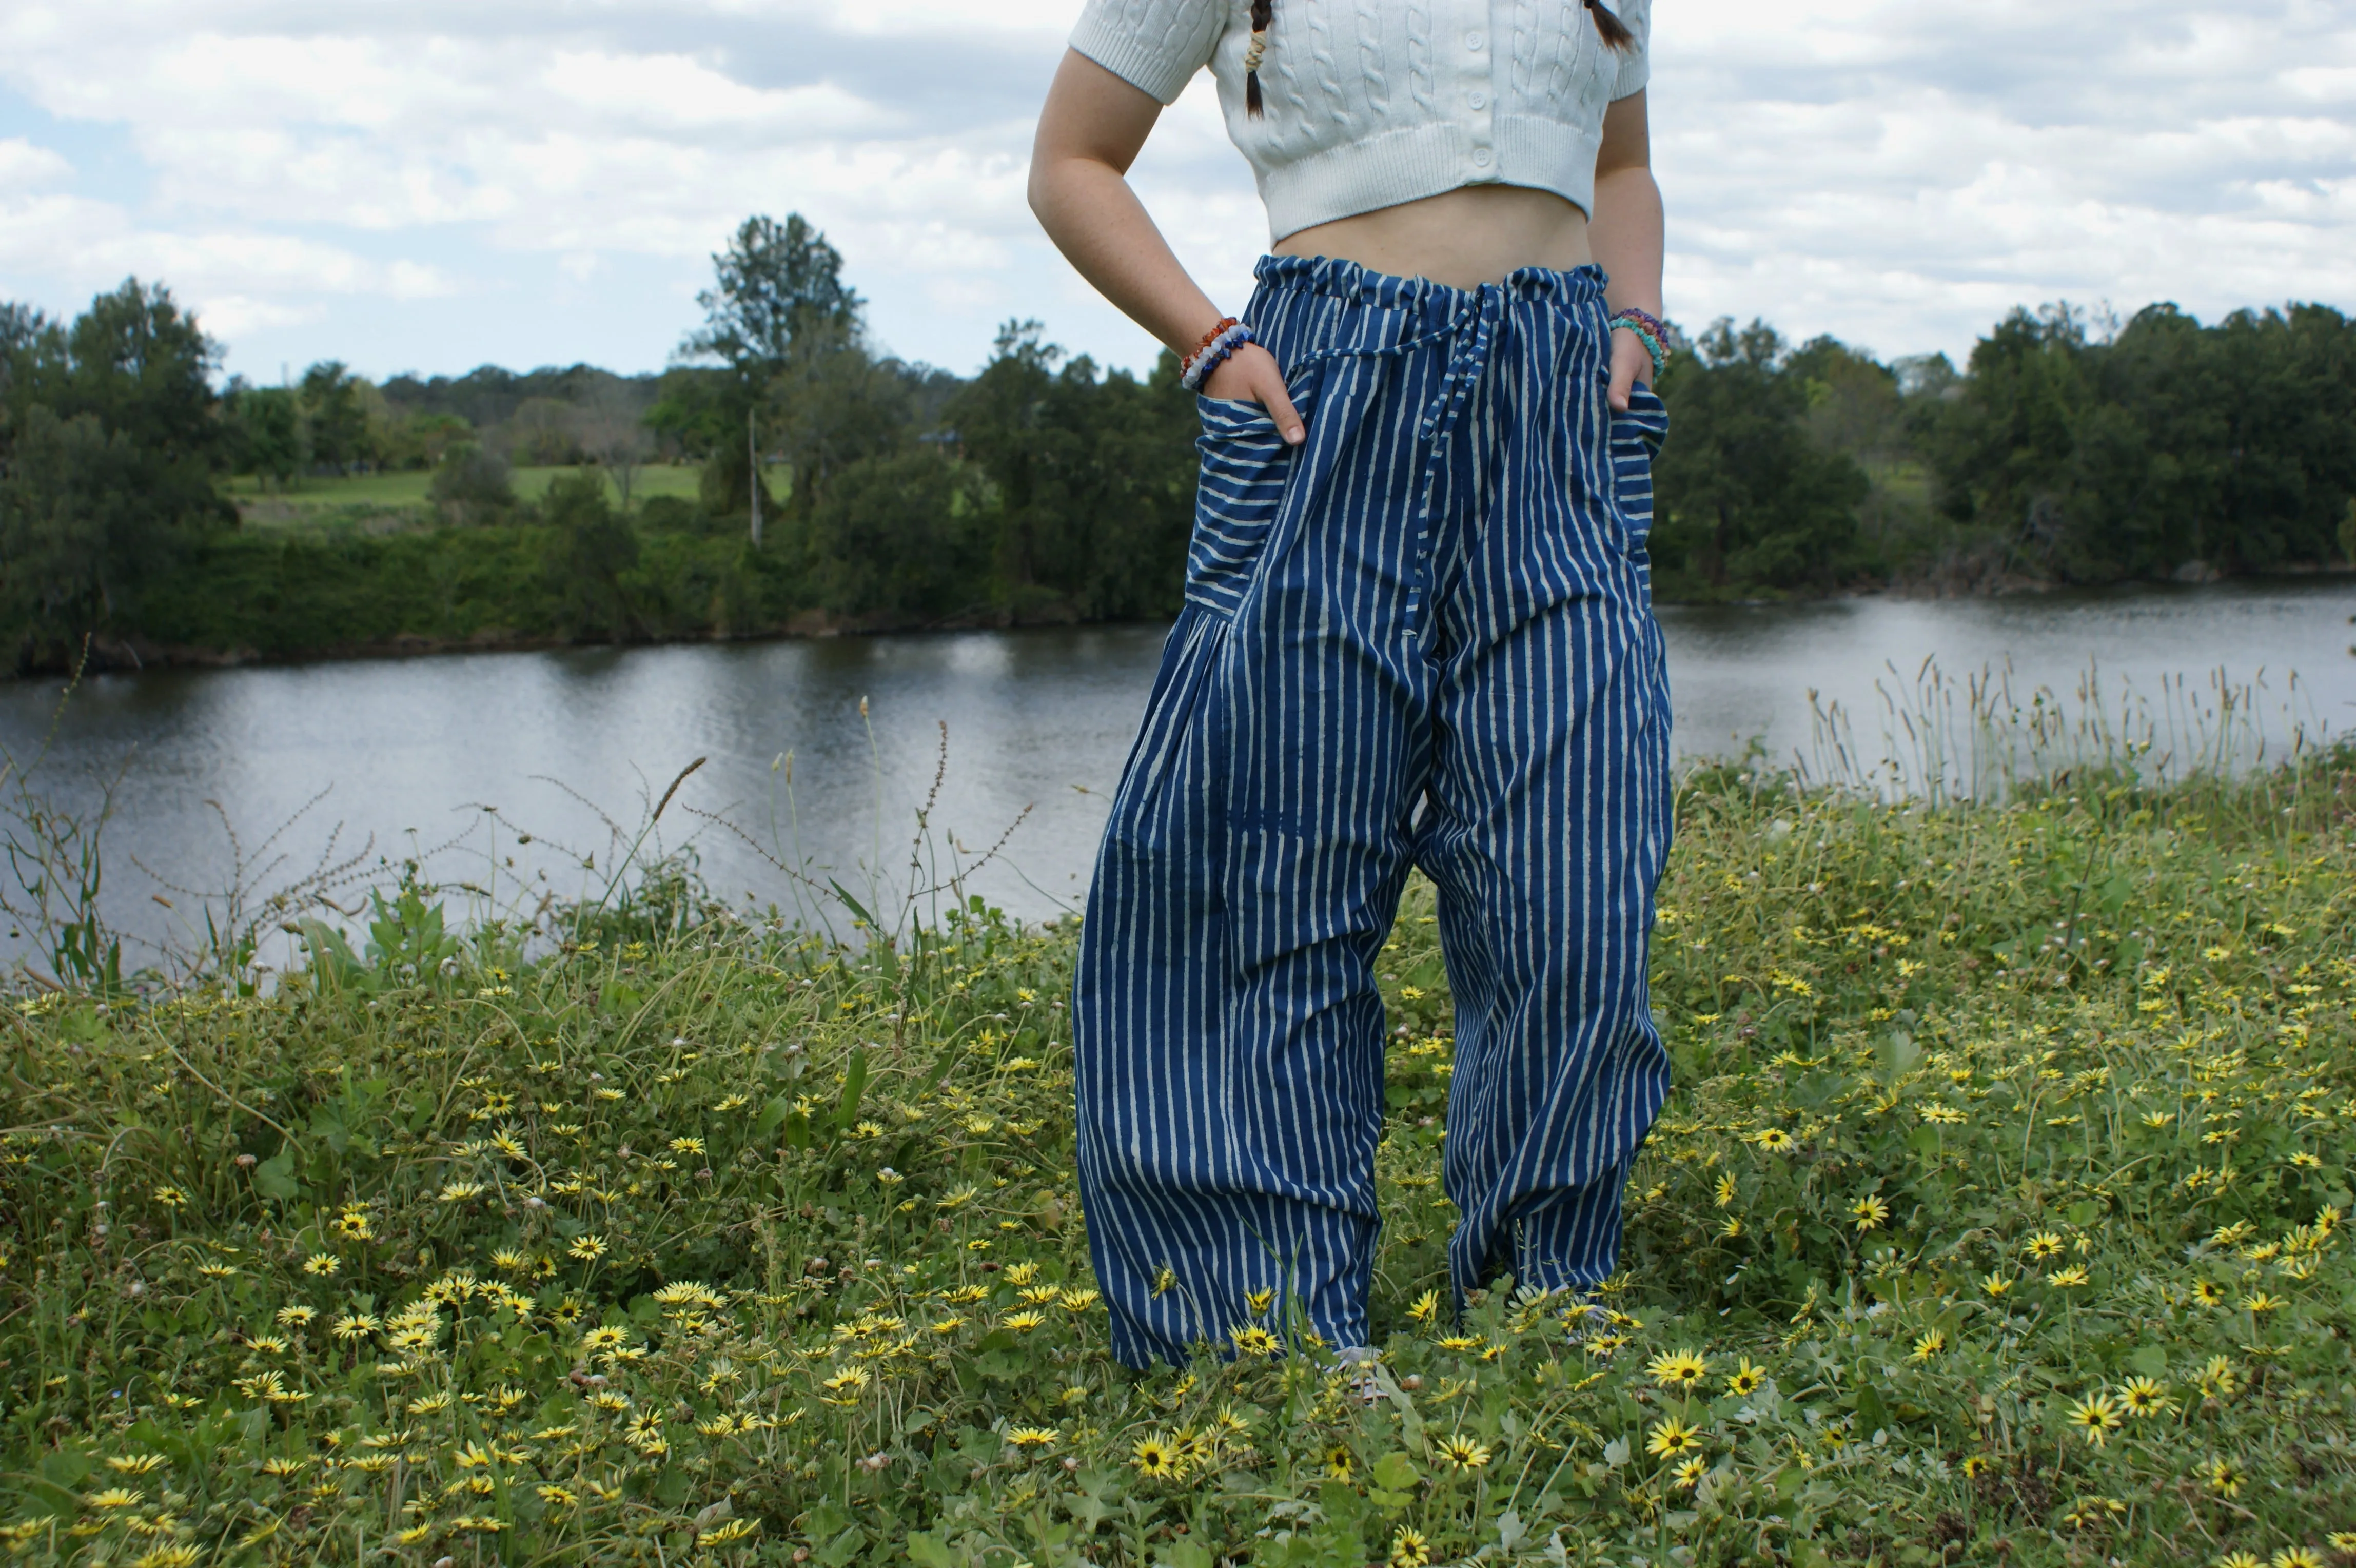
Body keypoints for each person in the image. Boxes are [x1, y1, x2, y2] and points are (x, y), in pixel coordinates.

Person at [1031, 0, 1674, 1369]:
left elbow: (1621, 167)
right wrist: (1208, 338)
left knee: (1579, 880)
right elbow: (1073, 163)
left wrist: (1640, 320)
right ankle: (1269, 1335)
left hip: (1558, 408)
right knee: (1271, 874)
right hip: (1326, 394)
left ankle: (1545, 1305)